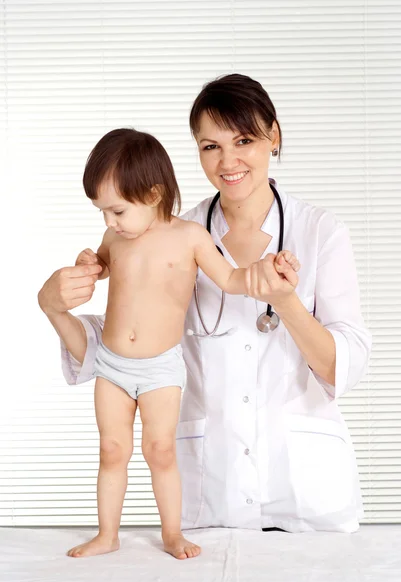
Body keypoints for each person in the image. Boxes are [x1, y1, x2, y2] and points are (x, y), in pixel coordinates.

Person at [38, 73, 371, 538]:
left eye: (244, 140)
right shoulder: (175, 231)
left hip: (306, 492)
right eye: (210, 146)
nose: (227, 160)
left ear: (273, 136)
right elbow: (125, 335)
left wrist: (286, 302)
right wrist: (55, 306)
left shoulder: (320, 231)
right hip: (210, 491)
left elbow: (344, 367)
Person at [57, 127, 300, 560]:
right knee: (112, 449)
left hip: (159, 369)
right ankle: (107, 535)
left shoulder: (190, 237)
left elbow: (229, 278)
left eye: (116, 210)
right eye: (102, 213)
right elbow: (102, 268)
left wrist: (263, 270)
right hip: (111, 365)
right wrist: (87, 263)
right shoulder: (116, 237)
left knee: (161, 449)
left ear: (152, 194)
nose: (109, 223)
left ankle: (172, 533)